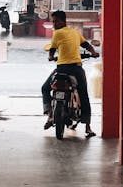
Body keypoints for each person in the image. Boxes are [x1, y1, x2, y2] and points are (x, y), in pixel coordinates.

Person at [41, 9, 99, 137]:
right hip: (76, 69)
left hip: (61, 69)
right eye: (53, 22)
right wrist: (94, 53)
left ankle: (50, 114)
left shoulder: (57, 33)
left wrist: (51, 57)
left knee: (45, 88)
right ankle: (88, 127)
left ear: (63, 21)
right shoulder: (75, 33)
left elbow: (52, 49)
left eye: (56, 21)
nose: (54, 24)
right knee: (83, 95)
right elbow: (86, 45)